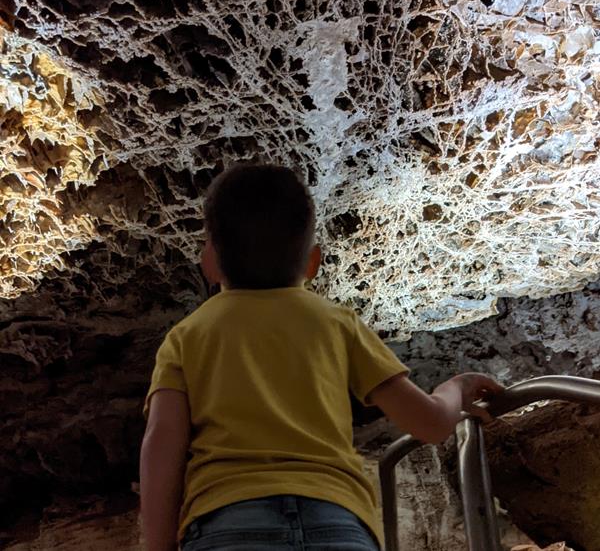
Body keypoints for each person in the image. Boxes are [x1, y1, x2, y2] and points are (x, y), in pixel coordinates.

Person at [140, 163, 502, 551]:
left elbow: (162, 444)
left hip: (227, 521)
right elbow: (430, 424)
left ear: (209, 259)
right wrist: (455, 388)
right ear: (313, 261)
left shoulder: (187, 336)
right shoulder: (336, 323)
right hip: (336, 521)